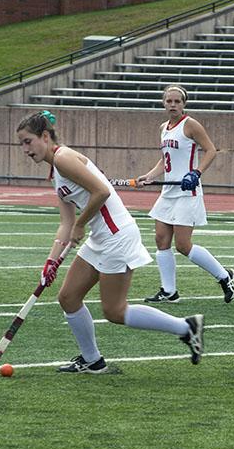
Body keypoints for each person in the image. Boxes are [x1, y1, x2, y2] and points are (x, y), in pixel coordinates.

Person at [16, 110, 204, 373]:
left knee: (114, 311)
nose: (25, 149)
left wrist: (81, 224)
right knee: (68, 297)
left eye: (28, 141)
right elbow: (66, 224)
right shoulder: (55, 170)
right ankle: (92, 361)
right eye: (21, 144)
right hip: (101, 237)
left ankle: (187, 328)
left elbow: (102, 191)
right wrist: (51, 260)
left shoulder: (63, 158)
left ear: (45, 136)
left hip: (117, 236)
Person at [136, 85, 234, 304]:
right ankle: (169, 291)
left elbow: (210, 150)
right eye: (169, 101)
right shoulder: (164, 127)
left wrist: (196, 173)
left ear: (184, 104)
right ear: (163, 103)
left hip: (187, 191)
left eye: (177, 101)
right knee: (161, 240)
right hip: (168, 191)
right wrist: (150, 175)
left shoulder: (190, 125)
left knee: (183, 245)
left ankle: (224, 276)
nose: (172, 105)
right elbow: (165, 158)